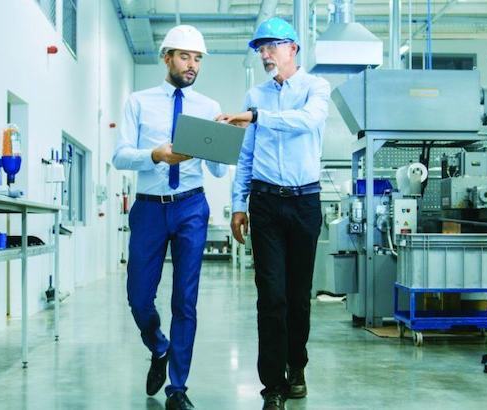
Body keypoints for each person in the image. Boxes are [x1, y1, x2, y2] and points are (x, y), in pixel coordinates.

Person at [216, 17, 330, 410]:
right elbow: (246, 156)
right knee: (271, 297)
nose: (265, 54)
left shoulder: (316, 87)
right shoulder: (255, 94)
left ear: (292, 49)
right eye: (260, 48)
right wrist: (237, 204)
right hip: (264, 204)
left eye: (271, 46)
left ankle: (296, 366)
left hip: (304, 203)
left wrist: (259, 117)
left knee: (298, 297)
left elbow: (308, 122)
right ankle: (273, 386)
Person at [112, 25, 226, 410]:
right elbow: (119, 155)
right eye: (184, 56)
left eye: (197, 59)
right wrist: (155, 155)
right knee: (138, 297)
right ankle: (158, 346)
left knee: (185, 300)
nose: (192, 65)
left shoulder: (208, 108)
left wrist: (221, 142)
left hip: (191, 205)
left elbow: (219, 172)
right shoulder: (138, 102)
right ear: (166, 57)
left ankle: (178, 387)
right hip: (148, 206)